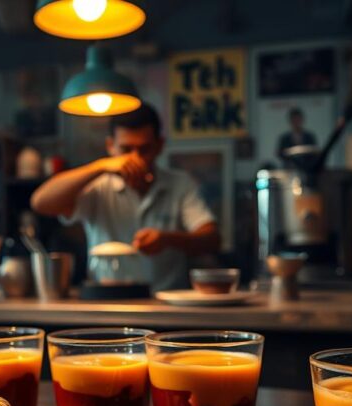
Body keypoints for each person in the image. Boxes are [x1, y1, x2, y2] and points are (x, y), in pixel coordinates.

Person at [30, 103, 219, 292]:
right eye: (126, 150)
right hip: (107, 299)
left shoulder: (180, 184)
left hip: (166, 302)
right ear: (110, 146)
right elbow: (40, 202)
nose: (134, 159)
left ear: (159, 146)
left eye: (144, 150)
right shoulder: (99, 186)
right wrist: (102, 166)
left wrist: (167, 239)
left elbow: (211, 239)